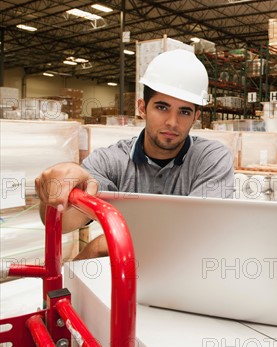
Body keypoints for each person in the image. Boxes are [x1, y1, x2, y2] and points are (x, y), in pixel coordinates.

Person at [35, 49, 234, 259]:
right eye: (162, 107)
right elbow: (61, 222)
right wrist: (59, 192)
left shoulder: (211, 158)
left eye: (184, 111)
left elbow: (200, 233)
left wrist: (101, 245)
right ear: (142, 107)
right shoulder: (112, 161)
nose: (172, 122)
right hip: (128, 279)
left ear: (195, 117)